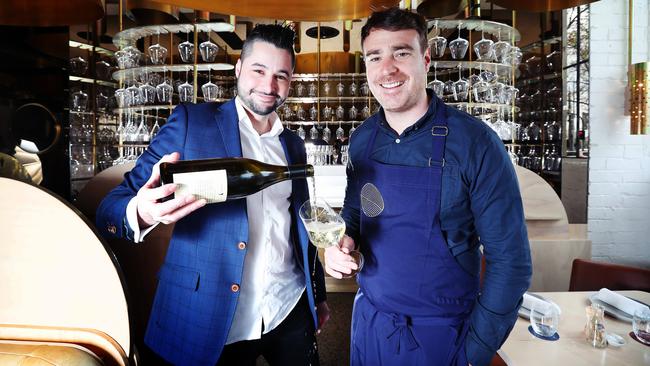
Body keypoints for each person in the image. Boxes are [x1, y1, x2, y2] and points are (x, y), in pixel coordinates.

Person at [96, 24, 329, 366]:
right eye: (258, 70)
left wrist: (317, 294)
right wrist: (142, 212)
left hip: (287, 306)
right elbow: (110, 209)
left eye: (281, 75)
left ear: (291, 80)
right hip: (208, 312)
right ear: (238, 69)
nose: (268, 85)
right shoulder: (193, 123)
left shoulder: (291, 144)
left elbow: (300, 225)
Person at [324, 8, 532, 366]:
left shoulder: (476, 144)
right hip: (370, 326)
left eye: (401, 53)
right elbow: (356, 214)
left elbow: (511, 263)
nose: (387, 69)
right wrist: (340, 245)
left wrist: (475, 351)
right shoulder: (362, 140)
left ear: (426, 59)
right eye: (375, 57)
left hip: (443, 337)